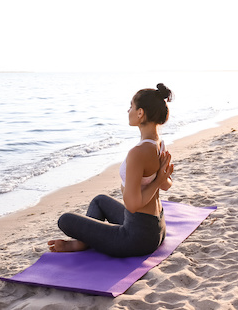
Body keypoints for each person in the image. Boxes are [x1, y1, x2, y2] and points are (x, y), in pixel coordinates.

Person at [47, 83, 175, 257]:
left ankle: (80, 244)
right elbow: (167, 184)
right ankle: (83, 243)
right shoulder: (158, 143)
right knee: (99, 201)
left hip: (137, 239)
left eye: (131, 106)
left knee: (65, 220)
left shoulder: (137, 153)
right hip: (157, 228)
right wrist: (160, 180)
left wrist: (158, 182)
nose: (128, 110)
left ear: (140, 113)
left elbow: (132, 204)